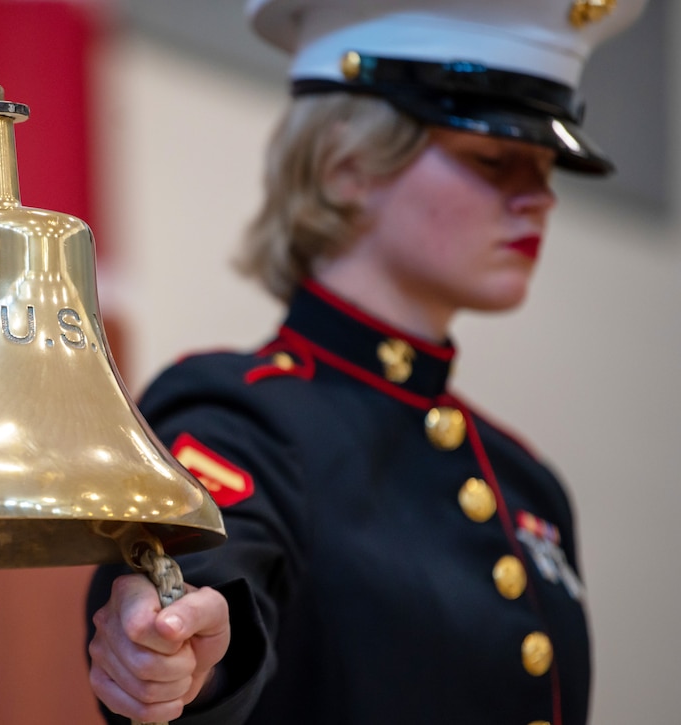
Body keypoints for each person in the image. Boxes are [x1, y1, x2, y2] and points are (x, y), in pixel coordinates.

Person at [84, 0, 647, 723]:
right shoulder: (240, 414)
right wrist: (175, 643)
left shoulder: (525, 481)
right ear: (348, 165)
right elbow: (205, 589)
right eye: (494, 158)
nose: (540, 199)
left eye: (545, 166)